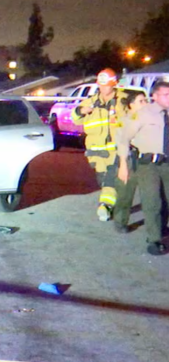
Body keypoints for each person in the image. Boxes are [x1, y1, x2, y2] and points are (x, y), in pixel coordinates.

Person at [117, 80, 169, 255]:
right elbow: (124, 139)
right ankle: (153, 239)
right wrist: (123, 164)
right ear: (154, 96)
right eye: (166, 95)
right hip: (148, 164)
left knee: (166, 201)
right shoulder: (142, 114)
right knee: (152, 201)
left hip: (167, 163)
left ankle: (161, 228)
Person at [71, 68, 129, 221]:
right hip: (96, 152)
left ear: (114, 84)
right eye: (101, 85)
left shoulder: (123, 100)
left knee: (111, 178)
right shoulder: (90, 101)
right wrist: (80, 110)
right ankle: (110, 205)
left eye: (107, 85)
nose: (104, 89)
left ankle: (104, 206)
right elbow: (75, 118)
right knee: (103, 180)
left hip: (116, 149)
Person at [113, 90, 149, 233]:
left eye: (146, 100)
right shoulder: (124, 121)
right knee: (125, 194)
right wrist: (123, 166)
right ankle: (121, 222)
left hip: (147, 162)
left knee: (151, 195)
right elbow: (122, 143)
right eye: (141, 101)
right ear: (131, 105)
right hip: (129, 160)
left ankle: (156, 224)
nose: (146, 103)